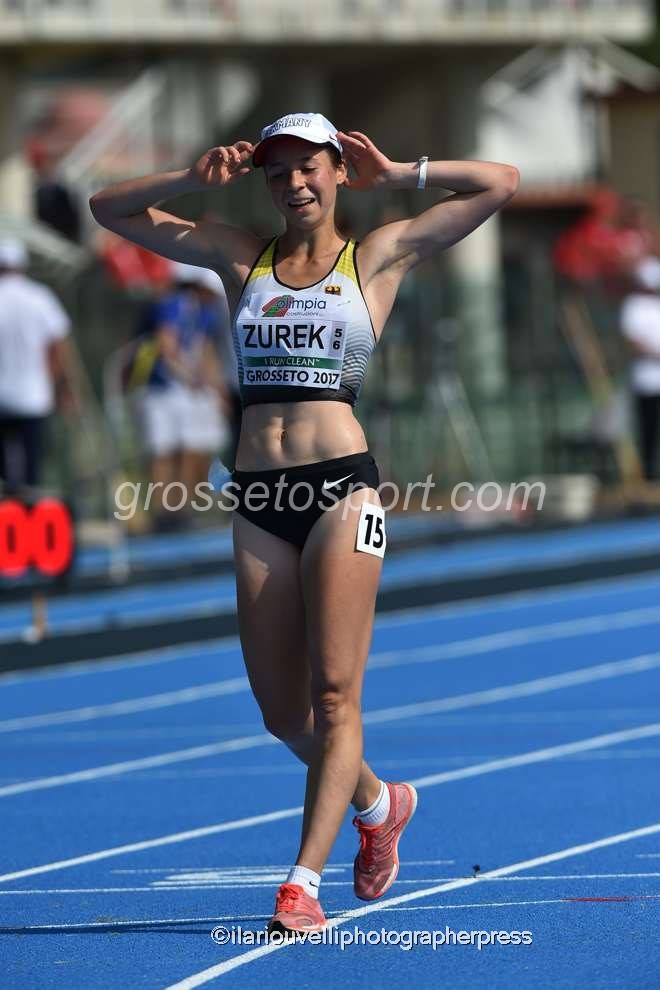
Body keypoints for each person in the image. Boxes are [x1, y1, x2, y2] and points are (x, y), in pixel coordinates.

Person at [89, 112, 519, 932]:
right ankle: (379, 804)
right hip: (260, 495)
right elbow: (108, 207)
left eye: (309, 166)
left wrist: (401, 172)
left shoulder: (377, 255)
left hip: (341, 490)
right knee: (282, 715)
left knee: (333, 696)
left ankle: (302, 884)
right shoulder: (237, 256)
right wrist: (190, 178)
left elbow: (501, 183)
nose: (294, 183)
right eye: (278, 171)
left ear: (336, 170)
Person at [131, 262, 230, 528]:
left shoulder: (205, 312)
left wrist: (215, 386)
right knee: (162, 451)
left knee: (189, 448)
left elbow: (205, 351)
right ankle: (164, 511)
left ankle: (182, 509)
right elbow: (167, 345)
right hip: (160, 388)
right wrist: (192, 376)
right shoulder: (174, 304)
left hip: (185, 389)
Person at [0, 237, 77, 493]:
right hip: (34, 396)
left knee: (5, 476)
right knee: (33, 469)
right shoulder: (40, 297)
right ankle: (30, 512)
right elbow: (59, 346)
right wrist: (57, 383)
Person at [620, 256, 660, 480]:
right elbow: (633, 342)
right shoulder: (634, 306)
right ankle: (648, 476)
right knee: (648, 430)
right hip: (646, 381)